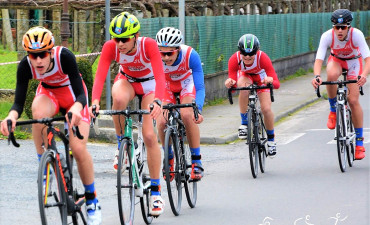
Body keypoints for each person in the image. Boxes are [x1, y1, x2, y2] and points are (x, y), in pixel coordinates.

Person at [0, 26, 101, 225]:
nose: (38, 60)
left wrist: (77, 108)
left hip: (74, 97)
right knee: (37, 112)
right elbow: (18, 103)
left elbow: (81, 93)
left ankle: (92, 199)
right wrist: (10, 117)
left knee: (79, 150)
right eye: (33, 55)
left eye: (42, 54)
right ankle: (45, 164)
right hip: (50, 94)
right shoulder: (25, 66)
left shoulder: (65, 57)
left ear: (51, 52)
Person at [89, 12, 165, 216]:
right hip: (128, 80)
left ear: (136, 36)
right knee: (119, 100)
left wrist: (158, 100)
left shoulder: (147, 45)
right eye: (116, 39)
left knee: (149, 135)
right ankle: (121, 144)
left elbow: (160, 74)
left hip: (150, 86)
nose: (120, 43)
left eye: (124, 39)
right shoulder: (110, 48)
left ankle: (156, 192)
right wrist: (94, 100)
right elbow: (100, 75)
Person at [311, 9, 370, 160]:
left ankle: (359, 143)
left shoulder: (356, 35)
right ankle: (333, 110)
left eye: (343, 27)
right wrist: (317, 76)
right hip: (336, 60)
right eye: (337, 27)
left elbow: (367, 58)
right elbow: (319, 59)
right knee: (330, 75)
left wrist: (363, 75)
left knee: (353, 100)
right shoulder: (327, 36)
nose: (339, 31)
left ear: (349, 27)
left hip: (354, 63)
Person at [155, 27, 205, 181]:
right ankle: (168, 158)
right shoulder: (155, 58)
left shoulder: (191, 55)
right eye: (162, 53)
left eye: (169, 53)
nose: (165, 57)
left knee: (186, 114)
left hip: (186, 85)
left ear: (177, 49)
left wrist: (199, 110)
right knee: (162, 121)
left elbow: (200, 87)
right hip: (167, 87)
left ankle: (196, 161)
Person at [225, 34, 280, 157]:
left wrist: (270, 81)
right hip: (246, 77)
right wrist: (230, 83)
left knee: (266, 109)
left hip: (261, 79)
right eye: (244, 53)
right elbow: (234, 87)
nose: (247, 56)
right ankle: (244, 123)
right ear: (240, 52)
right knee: (244, 88)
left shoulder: (263, 58)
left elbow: (277, 84)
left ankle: (271, 141)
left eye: (251, 54)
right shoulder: (234, 59)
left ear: (257, 51)